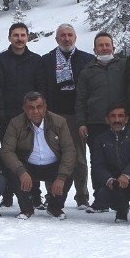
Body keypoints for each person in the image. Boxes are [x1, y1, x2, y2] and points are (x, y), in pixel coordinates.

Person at [37, 23, 93, 208]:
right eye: (62, 35)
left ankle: (82, 196)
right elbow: (42, 89)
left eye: (70, 35)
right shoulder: (46, 61)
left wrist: (84, 117)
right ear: (56, 39)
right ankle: (51, 194)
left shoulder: (87, 60)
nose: (66, 38)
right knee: (52, 157)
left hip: (77, 116)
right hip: (53, 116)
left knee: (78, 158)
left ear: (75, 38)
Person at [1, 91, 76, 220]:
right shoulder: (15, 123)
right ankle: (26, 208)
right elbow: (6, 151)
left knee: (70, 169)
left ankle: (54, 207)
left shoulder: (59, 122)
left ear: (45, 107)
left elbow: (69, 150)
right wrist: (21, 171)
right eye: (31, 107)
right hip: (28, 166)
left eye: (39, 107)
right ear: (24, 109)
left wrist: (61, 177)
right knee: (11, 169)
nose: (35, 111)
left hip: (53, 166)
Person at [0, 22, 41, 207]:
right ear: (9, 38)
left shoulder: (36, 60)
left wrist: (39, 113)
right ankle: (7, 194)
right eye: (16, 35)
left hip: (33, 116)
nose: (19, 38)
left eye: (23, 35)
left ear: (28, 37)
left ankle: (34, 194)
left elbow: (40, 88)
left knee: (32, 154)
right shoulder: (0, 60)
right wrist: (0, 113)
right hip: (8, 116)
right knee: (8, 155)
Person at [88, 104, 130, 227]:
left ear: (126, 119)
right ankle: (121, 209)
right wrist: (109, 180)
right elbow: (98, 166)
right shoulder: (100, 139)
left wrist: (126, 175)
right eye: (113, 116)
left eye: (120, 116)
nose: (117, 120)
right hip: (115, 185)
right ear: (107, 119)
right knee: (101, 197)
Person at [75, 31, 126, 151]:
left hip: (121, 121)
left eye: (107, 45)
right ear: (95, 49)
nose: (104, 48)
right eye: (101, 45)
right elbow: (81, 99)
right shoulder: (87, 71)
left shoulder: (124, 66)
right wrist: (81, 123)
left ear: (113, 48)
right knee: (99, 160)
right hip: (96, 124)